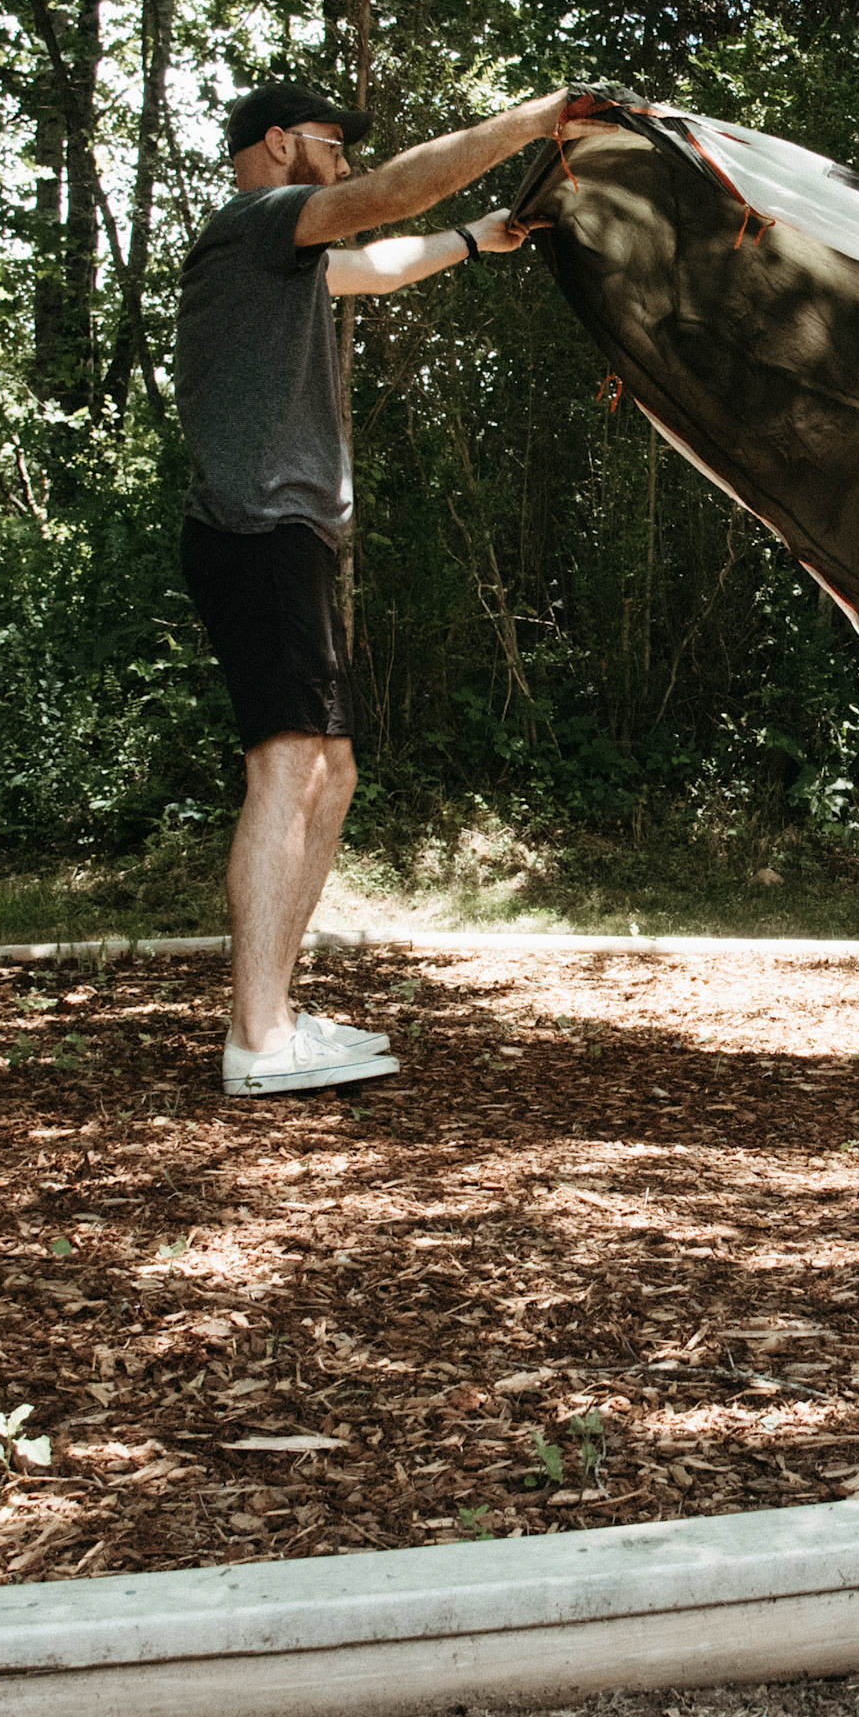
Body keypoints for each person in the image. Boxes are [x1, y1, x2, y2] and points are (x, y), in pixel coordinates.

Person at [177, 80, 587, 1093]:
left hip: (291, 536)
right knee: (287, 767)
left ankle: (270, 1013)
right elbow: (390, 198)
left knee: (332, 768)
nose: (347, 161)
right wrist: (535, 120)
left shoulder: (290, 268)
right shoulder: (260, 221)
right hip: (258, 526)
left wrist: (477, 238)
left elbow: (382, 261)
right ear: (277, 145)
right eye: (330, 143)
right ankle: (257, 1040)